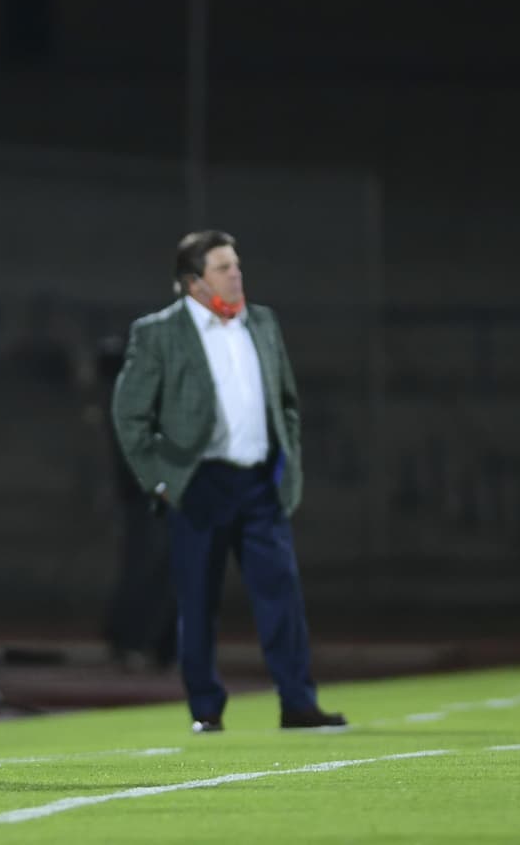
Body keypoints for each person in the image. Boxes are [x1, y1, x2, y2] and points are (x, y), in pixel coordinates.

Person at [110, 230, 345, 733]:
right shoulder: (159, 333)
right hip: (200, 483)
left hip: (260, 483)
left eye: (236, 265)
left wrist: (290, 465)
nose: (236, 274)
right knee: (197, 600)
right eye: (223, 267)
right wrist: (161, 481)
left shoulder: (261, 321)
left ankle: (298, 704)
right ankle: (206, 709)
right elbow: (128, 415)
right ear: (193, 282)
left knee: (282, 595)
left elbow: (286, 403)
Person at [97, 335, 177, 671]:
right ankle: (134, 640)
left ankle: (157, 643)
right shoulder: (128, 401)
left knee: (161, 569)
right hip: (146, 496)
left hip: (158, 495)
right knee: (145, 568)